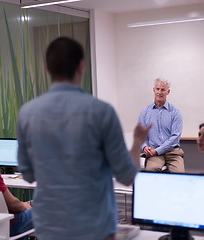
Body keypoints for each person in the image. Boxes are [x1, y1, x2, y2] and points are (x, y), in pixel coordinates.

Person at [17, 37, 150, 240]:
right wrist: (137, 143)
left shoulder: (27, 113)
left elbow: (27, 175)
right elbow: (127, 177)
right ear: (81, 66)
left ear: (47, 68)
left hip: (48, 225)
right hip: (94, 227)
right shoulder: (101, 112)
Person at [138, 78, 184, 172]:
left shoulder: (175, 112)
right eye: (157, 89)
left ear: (168, 92)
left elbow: (175, 137)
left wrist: (158, 150)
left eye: (163, 90)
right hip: (154, 153)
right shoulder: (145, 112)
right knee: (151, 172)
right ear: (153, 90)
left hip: (172, 152)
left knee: (180, 175)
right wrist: (145, 147)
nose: (160, 92)